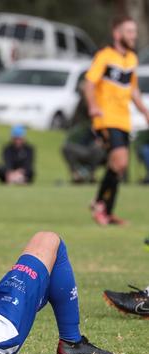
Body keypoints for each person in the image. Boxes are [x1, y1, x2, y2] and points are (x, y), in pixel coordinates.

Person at [84, 15, 149, 226]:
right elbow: (89, 84)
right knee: (120, 162)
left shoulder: (132, 59)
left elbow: (134, 91)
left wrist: (145, 111)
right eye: (129, 31)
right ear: (117, 34)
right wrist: (93, 106)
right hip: (106, 118)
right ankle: (103, 206)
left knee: (117, 166)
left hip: (124, 120)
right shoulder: (105, 56)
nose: (134, 35)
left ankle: (102, 206)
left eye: (135, 32)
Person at [61, 92, 106, 184]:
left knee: (97, 148)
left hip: (103, 153)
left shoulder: (106, 126)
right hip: (85, 150)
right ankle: (77, 175)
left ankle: (91, 174)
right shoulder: (84, 126)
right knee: (67, 147)